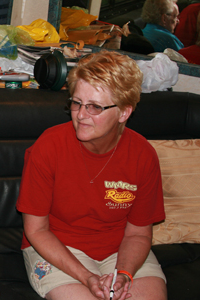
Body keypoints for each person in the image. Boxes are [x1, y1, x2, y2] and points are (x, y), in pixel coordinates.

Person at [16, 50, 167, 300]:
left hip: (120, 251)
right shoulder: (48, 146)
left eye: (95, 106)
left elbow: (138, 233)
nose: (81, 115)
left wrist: (125, 274)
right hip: (58, 249)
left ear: (123, 112)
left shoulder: (143, 155)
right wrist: (87, 276)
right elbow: (37, 231)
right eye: (76, 103)